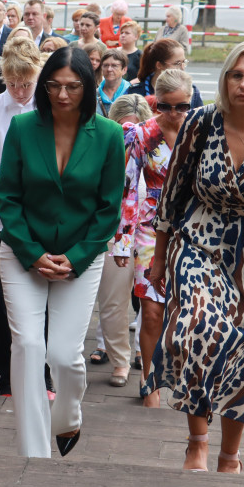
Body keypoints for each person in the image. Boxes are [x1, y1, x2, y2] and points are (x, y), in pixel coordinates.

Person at [148, 40, 244, 473]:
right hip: (197, 242)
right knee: (197, 327)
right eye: (237, 75)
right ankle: (196, 441)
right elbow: (174, 193)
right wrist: (159, 258)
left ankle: (229, 454)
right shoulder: (200, 122)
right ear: (224, 79)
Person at [0, 46, 125, 458]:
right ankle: (35, 454)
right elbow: (7, 198)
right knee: (28, 346)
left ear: (88, 87)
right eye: (54, 85)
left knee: (64, 356)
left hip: (81, 256)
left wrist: (78, 256)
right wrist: (32, 253)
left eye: (73, 86)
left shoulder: (108, 134)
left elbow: (109, 208)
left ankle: (68, 415)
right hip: (21, 253)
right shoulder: (22, 128)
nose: (63, 95)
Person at [111, 68, 194, 406]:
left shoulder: (202, 132)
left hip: (193, 229)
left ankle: (186, 373)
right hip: (149, 227)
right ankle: (150, 379)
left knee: (188, 309)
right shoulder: (141, 134)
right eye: (165, 106)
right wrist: (122, 240)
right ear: (155, 102)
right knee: (152, 309)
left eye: (182, 106)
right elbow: (129, 190)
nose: (173, 114)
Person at [0, 36, 45, 396]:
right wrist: (10, 210)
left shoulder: (47, 108)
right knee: (6, 299)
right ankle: (8, 373)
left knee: (46, 296)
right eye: (12, 84)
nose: (19, 92)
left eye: (26, 84)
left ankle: (43, 373)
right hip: (5, 217)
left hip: (45, 216)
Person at [91, 94, 152, 386]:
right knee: (113, 302)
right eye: (124, 127)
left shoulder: (158, 148)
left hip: (151, 233)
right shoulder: (103, 149)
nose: (131, 134)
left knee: (151, 302)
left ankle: (146, 351)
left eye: (137, 128)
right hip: (116, 235)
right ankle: (120, 360)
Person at [128, 38, 202, 109]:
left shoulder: (192, 91)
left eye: (184, 62)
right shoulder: (136, 92)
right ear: (159, 65)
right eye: (177, 63)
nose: (182, 67)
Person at [97, 49, 131, 117]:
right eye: (106, 65)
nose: (109, 69)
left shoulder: (131, 93)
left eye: (114, 65)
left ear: (124, 70)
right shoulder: (93, 95)